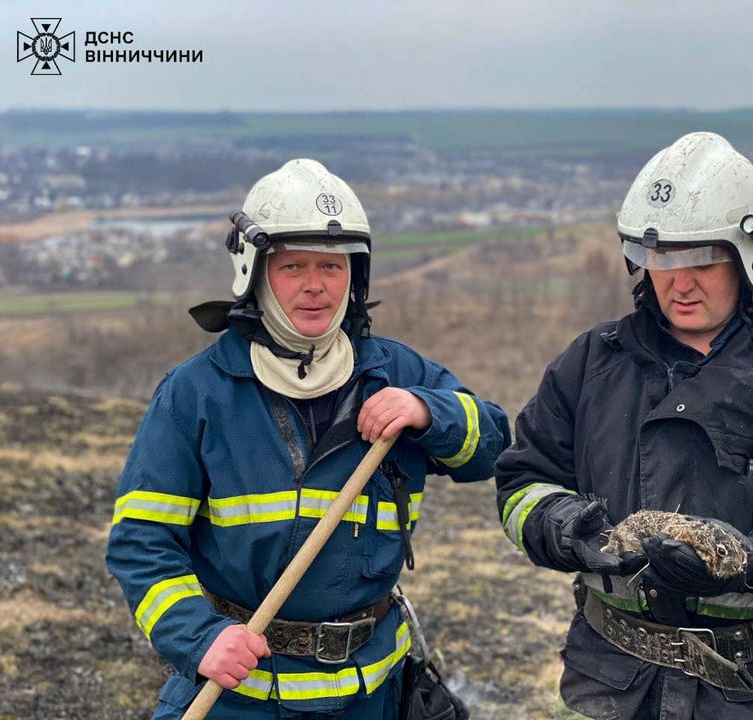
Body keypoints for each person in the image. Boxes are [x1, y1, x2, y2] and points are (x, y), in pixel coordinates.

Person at [495, 132, 753, 719]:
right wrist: (573, 529)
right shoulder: (591, 363)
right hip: (610, 681)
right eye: (662, 259)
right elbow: (523, 485)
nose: (679, 282)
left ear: (749, 257)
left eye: (701, 259)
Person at [107, 159, 510, 719]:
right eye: (293, 266)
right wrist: (199, 637)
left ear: (355, 275)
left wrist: (429, 409)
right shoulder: (195, 395)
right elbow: (140, 543)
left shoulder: (396, 372)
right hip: (239, 696)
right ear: (254, 270)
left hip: (374, 695)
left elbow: (492, 445)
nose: (316, 286)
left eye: (332, 265)